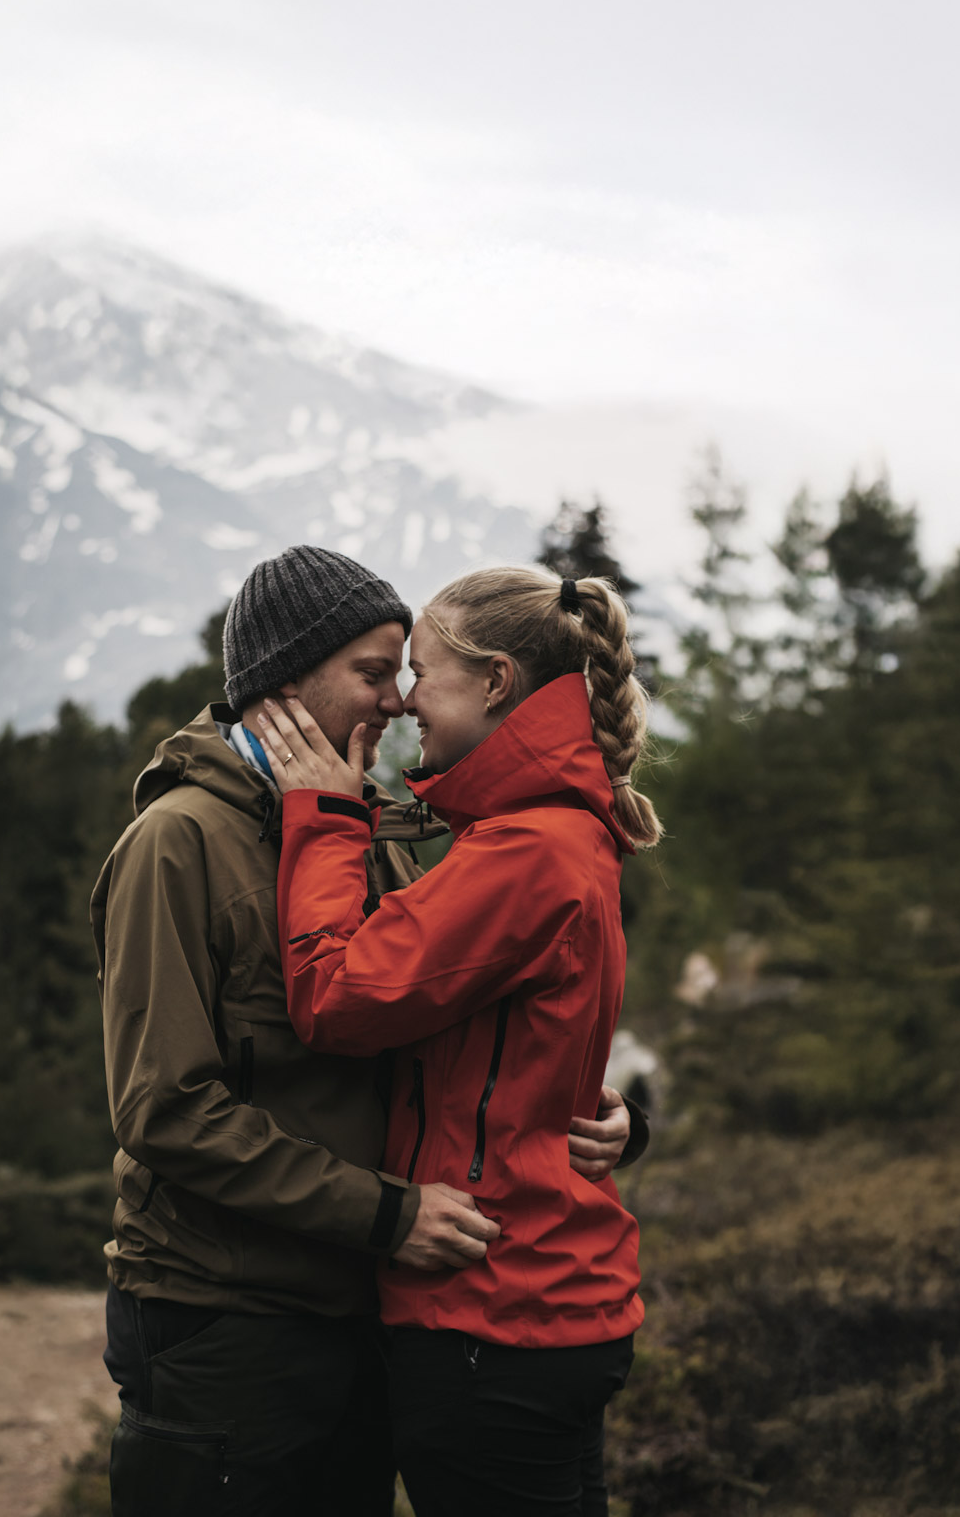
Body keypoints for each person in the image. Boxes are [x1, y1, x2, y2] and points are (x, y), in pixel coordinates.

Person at [92, 546, 640, 1517]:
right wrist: (385, 1212)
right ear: (285, 681)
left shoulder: (356, 832)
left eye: (409, 671)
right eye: (374, 671)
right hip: (227, 1315)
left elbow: (433, 1028)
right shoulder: (178, 841)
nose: (396, 700)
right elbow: (164, 1108)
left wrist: (583, 1105)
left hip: (357, 1311)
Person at [259, 564, 661, 1517]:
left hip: (493, 1314)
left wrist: (322, 819)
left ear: (495, 683)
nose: (404, 703)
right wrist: (618, 1118)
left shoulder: (524, 849)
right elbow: (530, 1039)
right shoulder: (561, 828)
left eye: (424, 673)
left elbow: (333, 997)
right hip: (548, 1303)